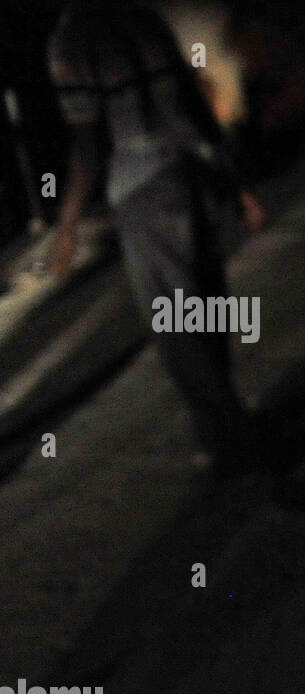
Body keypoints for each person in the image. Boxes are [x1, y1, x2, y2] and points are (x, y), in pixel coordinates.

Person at [47, 0, 268, 477]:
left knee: (175, 324)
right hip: (192, 172)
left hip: (142, 186)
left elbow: (86, 145)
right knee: (208, 306)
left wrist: (66, 226)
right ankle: (218, 431)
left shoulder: (72, 38)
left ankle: (233, 437)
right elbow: (194, 101)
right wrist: (238, 182)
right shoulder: (144, 17)